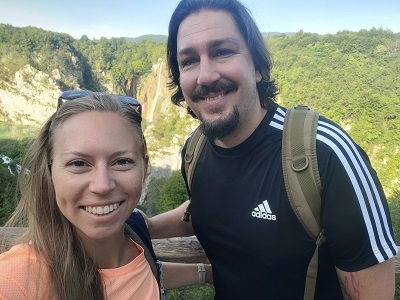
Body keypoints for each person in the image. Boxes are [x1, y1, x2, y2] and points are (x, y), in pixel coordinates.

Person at [142, 0, 398, 299]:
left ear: (258, 67)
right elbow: (210, 204)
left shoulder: (324, 154)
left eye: (223, 51)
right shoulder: (194, 150)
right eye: (188, 60)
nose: (206, 75)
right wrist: (146, 225)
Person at [0, 93, 212, 300]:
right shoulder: (17, 278)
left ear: (144, 168)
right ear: (50, 170)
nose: (102, 186)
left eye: (122, 162)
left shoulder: (136, 230)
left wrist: (213, 273)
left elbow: (139, 272)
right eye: (78, 163)